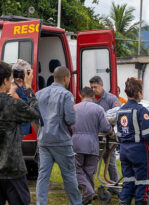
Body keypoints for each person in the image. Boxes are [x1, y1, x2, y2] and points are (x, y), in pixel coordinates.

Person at [0, 61, 41, 205]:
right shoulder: (14, 105)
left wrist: (11, 90)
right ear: (5, 80)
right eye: (10, 78)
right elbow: (36, 113)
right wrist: (29, 88)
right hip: (13, 169)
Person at [36, 66, 82, 205]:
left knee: (43, 176)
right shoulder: (66, 95)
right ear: (65, 78)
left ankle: (40, 203)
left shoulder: (40, 94)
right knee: (69, 175)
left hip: (43, 140)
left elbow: (34, 117)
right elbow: (70, 120)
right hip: (61, 141)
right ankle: (76, 202)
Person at [116, 78, 149, 205]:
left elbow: (118, 135)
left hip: (124, 152)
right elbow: (148, 134)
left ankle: (124, 202)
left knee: (128, 182)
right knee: (142, 183)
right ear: (139, 92)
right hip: (139, 153)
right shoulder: (142, 111)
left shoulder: (120, 111)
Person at [72, 87, 113, 204]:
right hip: (92, 143)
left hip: (77, 143)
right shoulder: (98, 109)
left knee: (77, 169)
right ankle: (88, 197)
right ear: (93, 96)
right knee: (89, 171)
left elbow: (68, 124)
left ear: (80, 95)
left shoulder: (74, 108)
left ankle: (88, 192)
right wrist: (111, 131)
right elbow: (105, 127)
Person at [89, 76, 121, 194]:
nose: (93, 89)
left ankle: (115, 187)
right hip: (94, 137)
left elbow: (119, 114)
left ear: (102, 85)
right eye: (91, 87)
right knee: (92, 163)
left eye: (95, 87)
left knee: (110, 162)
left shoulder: (111, 99)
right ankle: (89, 188)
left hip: (108, 137)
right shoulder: (90, 99)